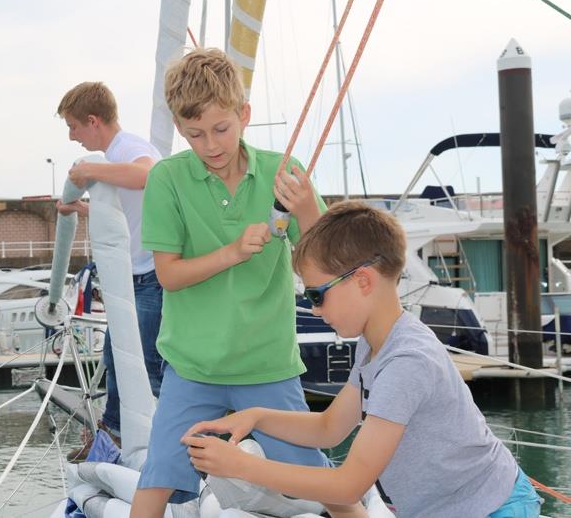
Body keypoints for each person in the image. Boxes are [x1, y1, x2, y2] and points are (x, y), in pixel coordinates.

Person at [183, 200, 543, 518]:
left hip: (493, 508)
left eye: (317, 294)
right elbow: (330, 428)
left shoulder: (406, 361)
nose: (313, 308)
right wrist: (255, 417)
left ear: (363, 281)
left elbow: (348, 486)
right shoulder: (375, 344)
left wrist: (242, 466)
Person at [132, 48, 365, 518]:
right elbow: (168, 276)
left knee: (322, 482)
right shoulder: (166, 179)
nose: (210, 144)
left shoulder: (285, 171)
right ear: (180, 128)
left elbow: (323, 263)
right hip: (192, 368)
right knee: (158, 477)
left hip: (268, 365)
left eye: (221, 129)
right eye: (195, 134)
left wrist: (304, 211)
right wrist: (233, 252)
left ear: (244, 115)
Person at [56, 81, 164, 461]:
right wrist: (82, 208)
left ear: (92, 120)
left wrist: (88, 171)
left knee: (146, 366)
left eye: (73, 127)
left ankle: (147, 445)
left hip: (151, 277)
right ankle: (113, 437)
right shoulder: (116, 155)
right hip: (136, 276)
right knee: (116, 358)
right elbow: (129, 209)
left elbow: (148, 175)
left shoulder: (129, 148)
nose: (72, 136)